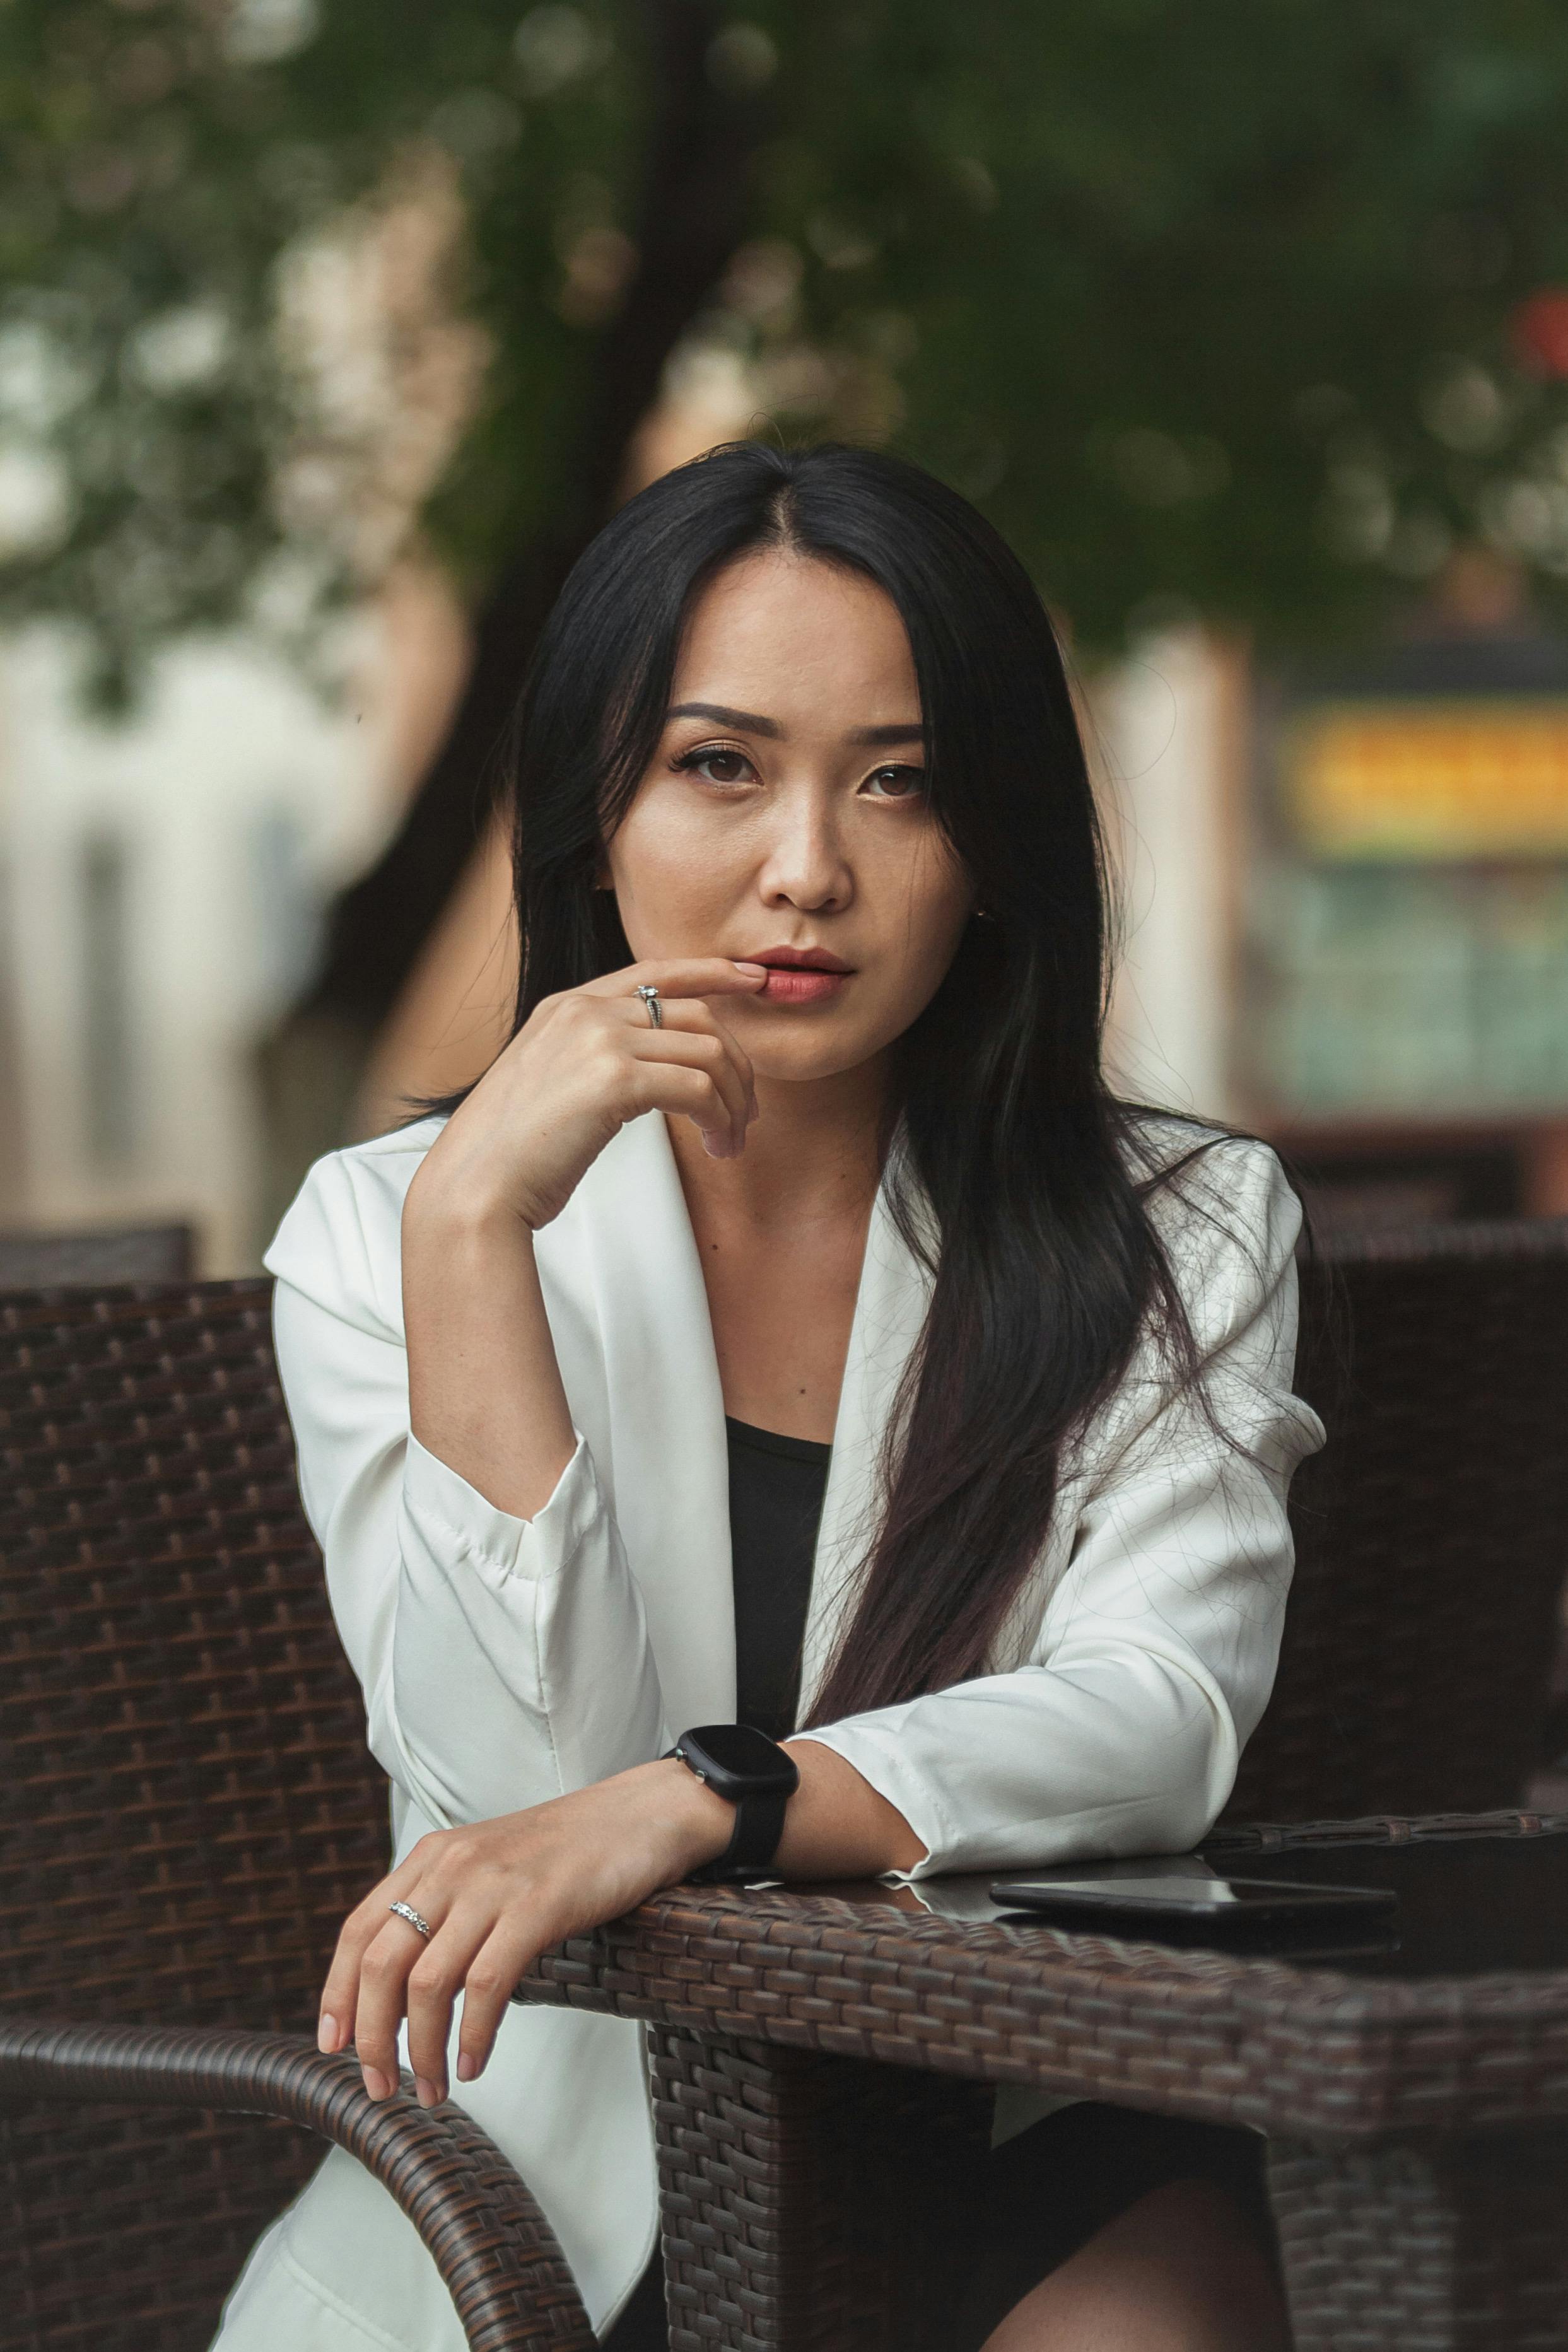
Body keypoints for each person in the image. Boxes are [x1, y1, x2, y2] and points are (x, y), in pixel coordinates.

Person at [213, 441, 1323, 2352]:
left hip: (1001, 2124)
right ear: (597, 808)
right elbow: (514, 1808)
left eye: (903, 781)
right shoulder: (381, 1229)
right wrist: (479, 1227)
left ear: (995, 845)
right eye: (721, 766)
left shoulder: (1182, 1224)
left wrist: (700, 1802)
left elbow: (1156, 1713)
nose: (808, 868)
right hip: (536, 2193)